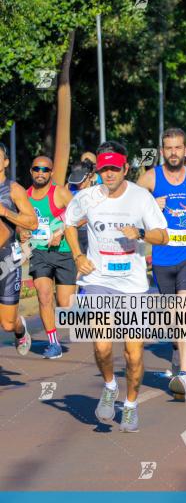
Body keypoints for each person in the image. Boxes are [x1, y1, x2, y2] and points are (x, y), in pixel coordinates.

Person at [64, 142, 168, 432]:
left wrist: (142, 233)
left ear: (125, 168)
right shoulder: (87, 197)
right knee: (101, 343)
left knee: (133, 354)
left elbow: (164, 236)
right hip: (97, 280)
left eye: (114, 168)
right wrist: (77, 255)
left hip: (133, 286)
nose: (108, 174)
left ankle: (131, 405)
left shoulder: (141, 198)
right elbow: (69, 223)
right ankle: (110, 385)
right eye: (104, 168)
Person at [137, 128, 186, 400]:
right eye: (168, 148)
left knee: (185, 310)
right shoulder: (150, 177)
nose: (173, 153)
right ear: (162, 151)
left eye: (178, 148)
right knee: (172, 320)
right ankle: (177, 354)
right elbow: (131, 205)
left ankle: (184, 375)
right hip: (162, 256)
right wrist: (150, 204)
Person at [23, 155, 76, 359]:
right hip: (39, 253)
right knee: (44, 295)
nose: (40, 173)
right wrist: (23, 233)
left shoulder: (60, 193)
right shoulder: (25, 197)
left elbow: (80, 215)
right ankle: (53, 343)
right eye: (37, 169)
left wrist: (61, 230)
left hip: (63, 253)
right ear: (31, 171)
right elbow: (21, 224)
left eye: (45, 170)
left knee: (65, 304)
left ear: (51, 173)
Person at [0, 143, 38, 355]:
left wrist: (5, 212)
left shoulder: (14, 190)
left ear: (5, 162)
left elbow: (32, 222)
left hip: (6, 258)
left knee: (7, 324)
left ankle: (19, 328)